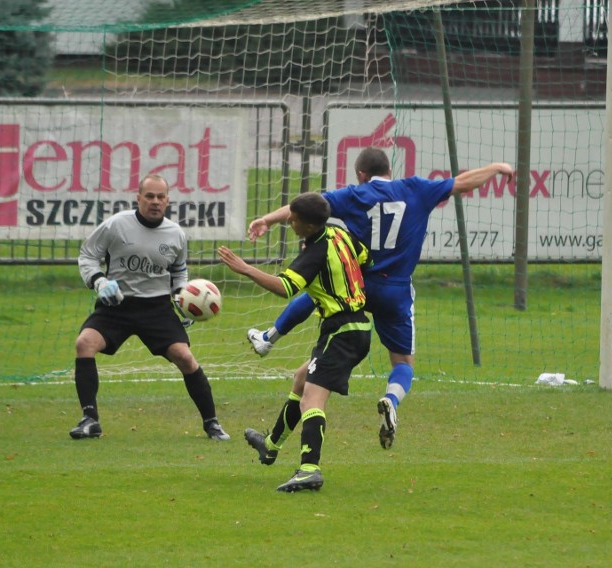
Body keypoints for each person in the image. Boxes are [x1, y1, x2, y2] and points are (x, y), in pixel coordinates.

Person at [245, 147, 513, 451]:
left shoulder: (356, 194)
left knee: (318, 291)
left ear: (361, 174)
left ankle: (270, 336)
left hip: (358, 281)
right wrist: (496, 166)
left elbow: (305, 207)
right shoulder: (416, 188)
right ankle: (391, 398)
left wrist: (267, 219)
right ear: (389, 169)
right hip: (395, 290)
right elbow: (461, 183)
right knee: (403, 362)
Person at [218, 192, 371, 492]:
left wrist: (247, 269)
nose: (289, 220)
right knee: (301, 378)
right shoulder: (339, 233)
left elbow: (285, 288)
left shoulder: (315, 251)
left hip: (340, 330)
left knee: (312, 399)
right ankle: (271, 445)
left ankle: (309, 469)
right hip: (358, 326)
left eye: (294, 219)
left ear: (310, 226)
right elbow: (365, 256)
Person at [70, 173, 230, 441]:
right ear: (138, 198)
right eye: (149, 196)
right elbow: (88, 255)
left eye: (160, 197)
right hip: (116, 305)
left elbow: (179, 271)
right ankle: (90, 420)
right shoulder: (116, 225)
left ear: (167, 200)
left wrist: (182, 297)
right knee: (84, 343)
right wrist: (99, 282)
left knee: (185, 357)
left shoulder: (176, 234)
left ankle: (212, 423)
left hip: (157, 309)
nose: (155, 202)